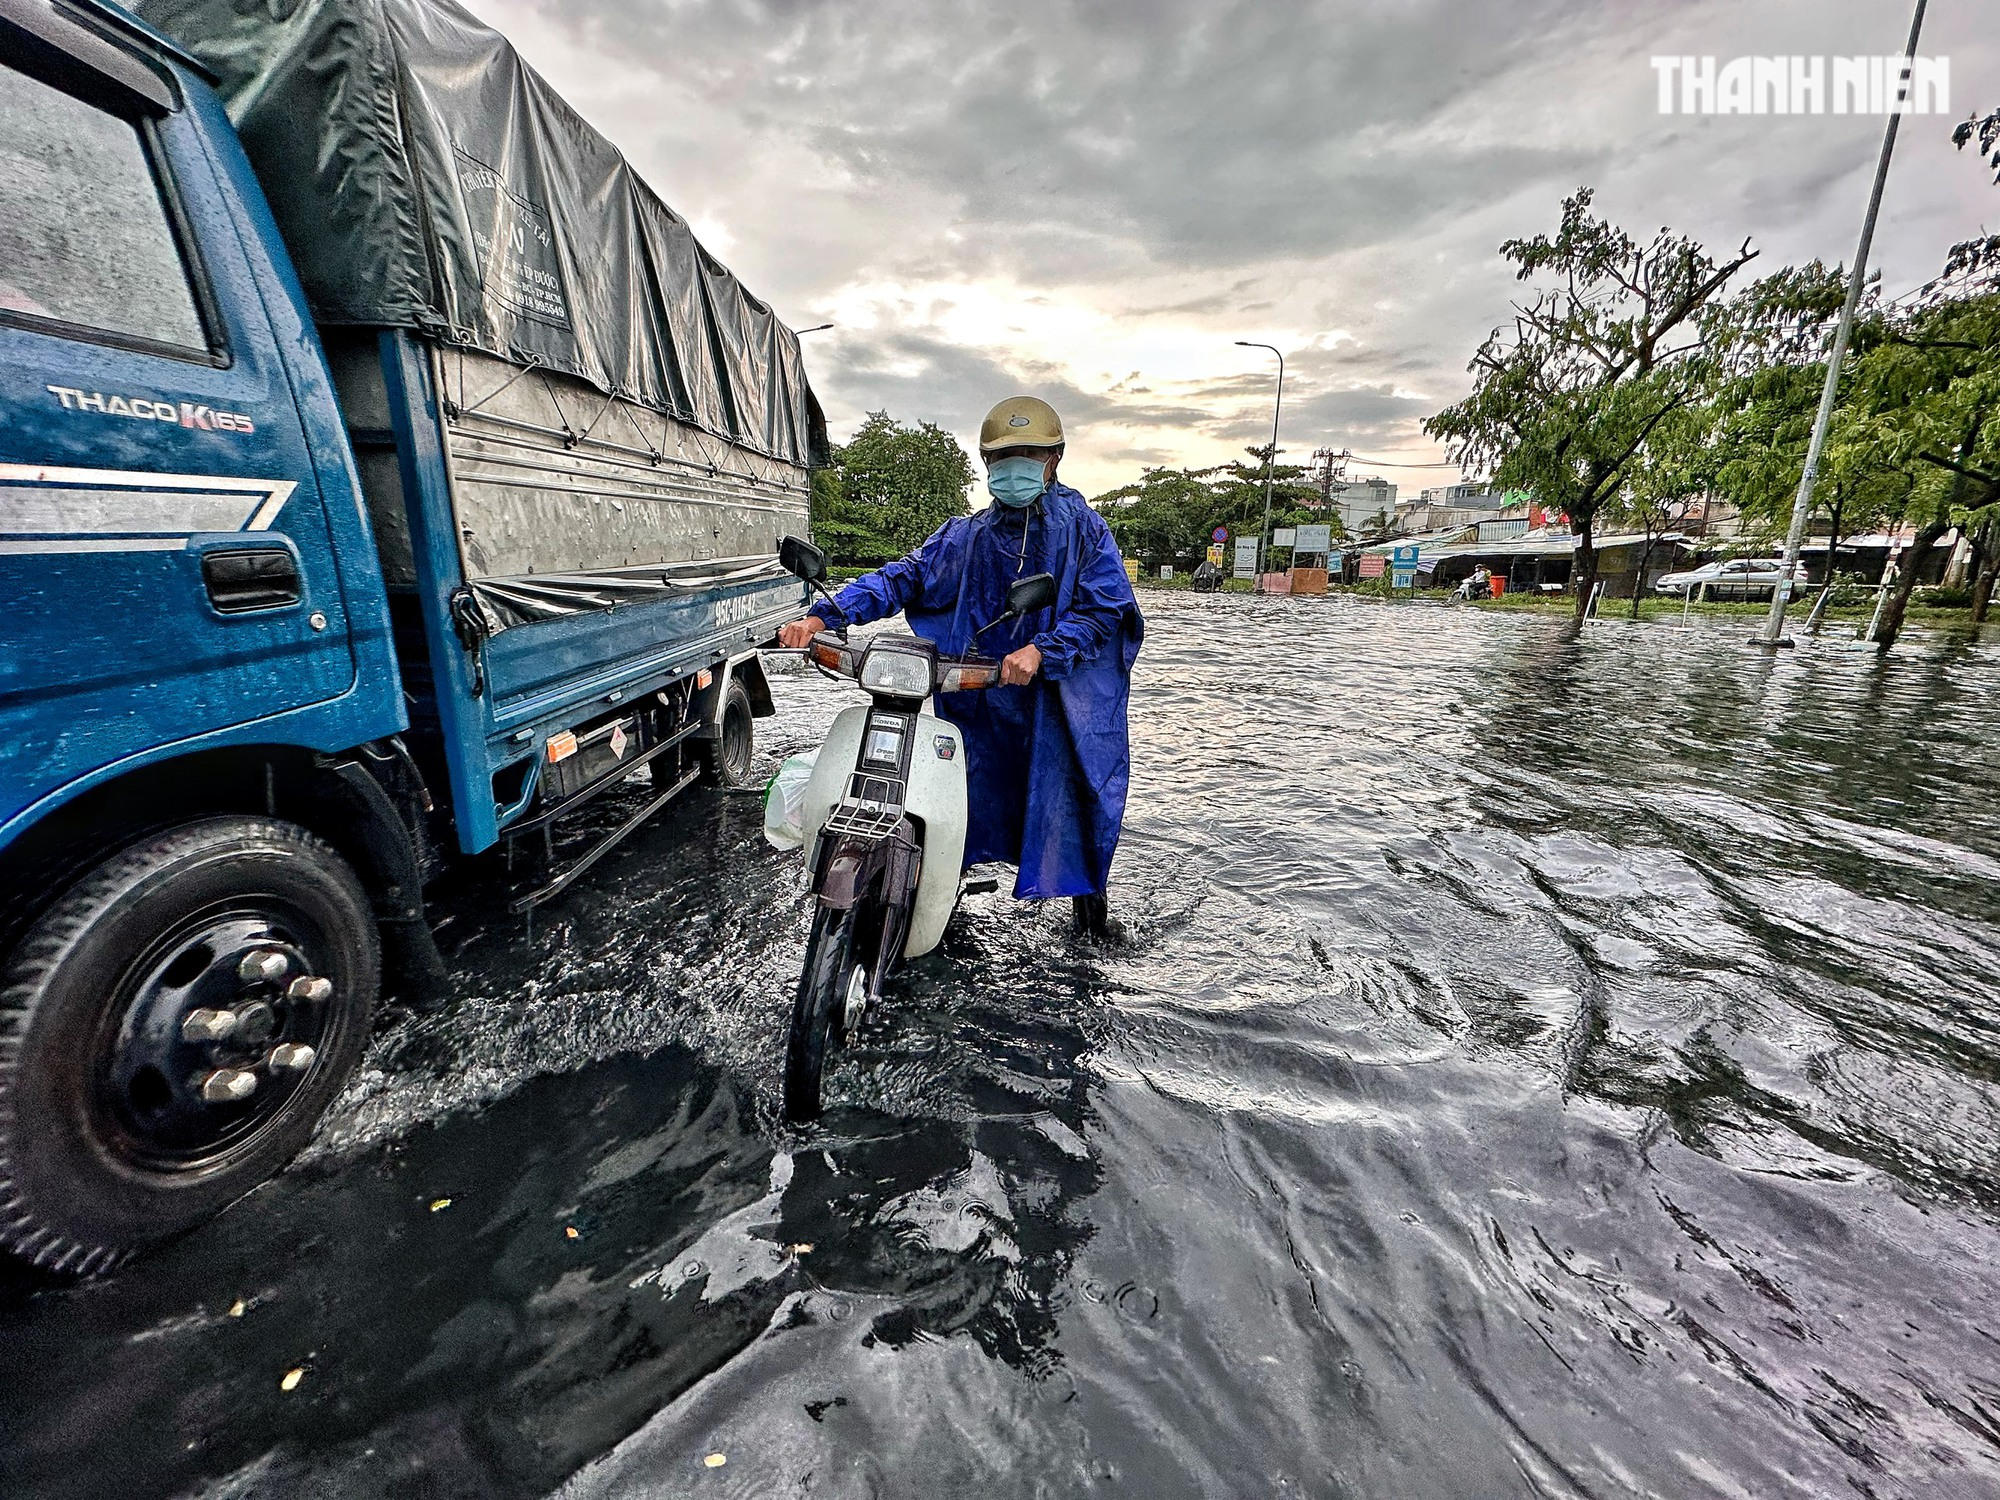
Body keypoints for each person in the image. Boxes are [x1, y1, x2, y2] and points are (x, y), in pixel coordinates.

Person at [777, 397, 1143, 940]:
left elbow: (1105, 609)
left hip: (1056, 703)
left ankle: (1091, 931)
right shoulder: (965, 536)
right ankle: (937, 909)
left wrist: (1045, 650)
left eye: (1029, 454)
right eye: (1003, 456)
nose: (1015, 466)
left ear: (1055, 459)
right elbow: (905, 576)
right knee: (958, 797)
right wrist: (823, 615)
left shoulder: (1085, 532)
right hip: (978, 699)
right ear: (986, 462)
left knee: (1068, 812)